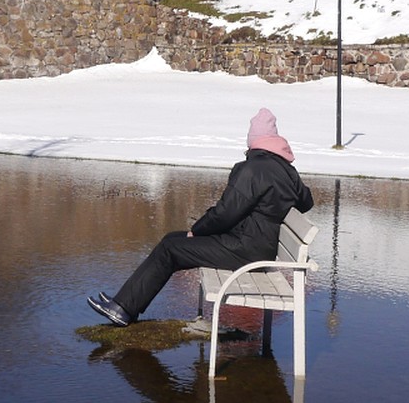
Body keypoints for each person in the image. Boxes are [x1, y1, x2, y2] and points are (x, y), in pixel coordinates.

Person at [87, 107, 314, 326]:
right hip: (256, 247)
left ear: (254, 139)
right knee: (171, 239)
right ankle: (124, 303)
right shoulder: (286, 170)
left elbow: (225, 214)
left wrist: (196, 231)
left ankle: (124, 309)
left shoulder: (252, 169)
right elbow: (306, 202)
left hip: (245, 251)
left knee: (171, 248)